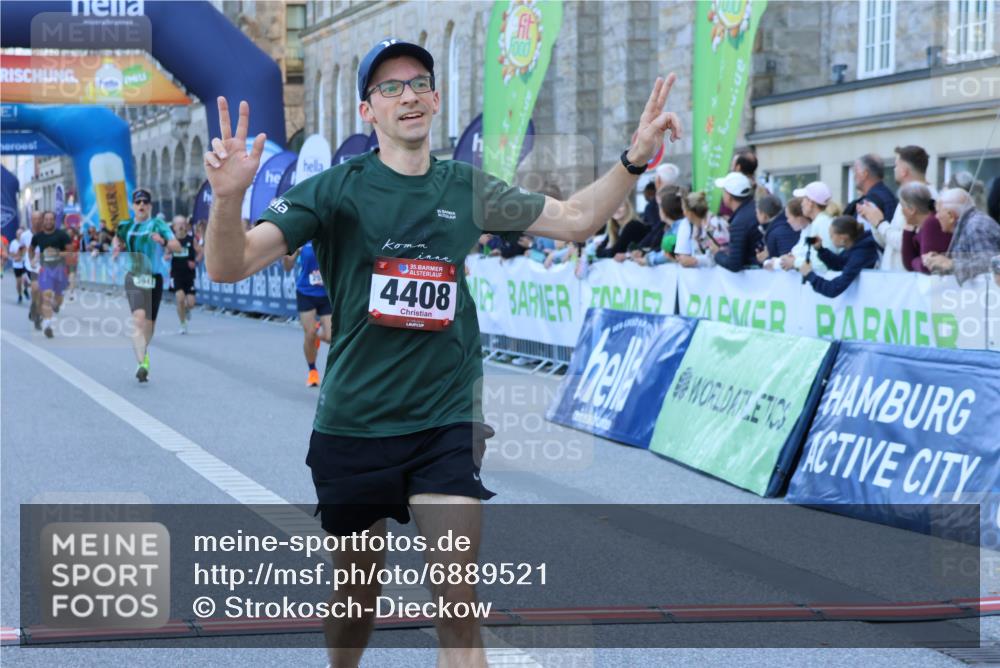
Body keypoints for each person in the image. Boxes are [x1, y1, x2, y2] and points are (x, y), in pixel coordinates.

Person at [203, 37, 680, 668]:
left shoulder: (468, 187)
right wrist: (230, 198)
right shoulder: (333, 190)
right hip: (356, 422)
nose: (408, 96)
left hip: (444, 422)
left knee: (458, 610)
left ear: (436, 98)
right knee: (355, 600)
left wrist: (633, 160)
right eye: (389, 88)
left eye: (418, 83)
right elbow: (229, 264)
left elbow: (573, 220)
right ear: (367, 111)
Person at [114, 188, 182, 382]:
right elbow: (116, 238)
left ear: (150, 206)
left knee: (150, 324)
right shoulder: (125, 225)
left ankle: (143, 355)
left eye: (145, 202)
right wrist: (116, 247)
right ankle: (142, 362)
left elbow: (176, 246)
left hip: (154, 278)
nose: (142, 205)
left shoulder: (158, 224)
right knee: (139, 318)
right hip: (134, 276)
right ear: (133, 206)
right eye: (138, 202)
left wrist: (163, 242)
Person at [858, 145, 933, 271]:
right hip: (895, 278)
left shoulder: (927, 197)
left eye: (896, 165)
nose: (894, 169)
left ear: (904, 171)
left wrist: (880, 223)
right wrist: (874, 221)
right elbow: (888, 243)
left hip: (907, 281)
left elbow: (907, 242)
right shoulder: (907, 196)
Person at [924, 188, 1000, 284]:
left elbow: (991, 263)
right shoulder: (968, 224)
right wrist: (940, 260)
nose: (936, 216)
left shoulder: (975, 226)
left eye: (938, 211)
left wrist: (951, 264)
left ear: (951, 216)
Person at [282, 240, 332, 386]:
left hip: (326, 294)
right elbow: (287, 267)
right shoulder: (303, 239)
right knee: (309, 334)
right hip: (306, 292)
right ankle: (313, 372)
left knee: (330, 336)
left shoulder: (331, 236)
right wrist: (288, 254)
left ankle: (316, 333)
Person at [799, 216, 880, 297]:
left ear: (842, 238)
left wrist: (810, 275)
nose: (830, 239)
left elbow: (833, 289)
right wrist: (821, 250)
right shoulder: (855, 247)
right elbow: (840, 264)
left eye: (831, 236)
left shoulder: (861, 253)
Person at [643, 190, 714, 267]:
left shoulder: (712, 224)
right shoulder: (688, 227)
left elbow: (716, 255)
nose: (683, 213)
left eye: (684, 209)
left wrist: (695, 260)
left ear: (689, 212)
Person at [30, 211, 72, 338]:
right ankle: (48, 325)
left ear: (54, 221)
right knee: (46, 297)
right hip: (46, 270)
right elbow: (31, 249)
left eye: (51, 219)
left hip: (60, 270)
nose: (48, 221)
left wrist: (57, 253)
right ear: (43, 221)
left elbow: (70, 253)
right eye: (46, 219)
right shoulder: (38, 236)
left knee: (58, 300)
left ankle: (56, 305)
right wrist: (32, 260)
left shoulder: (62, 235)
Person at [781, 181, 836, 274]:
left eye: (804, 199)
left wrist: (794, 262)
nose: (801, 204)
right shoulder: (819, 222)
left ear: (811, 203)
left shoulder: (822, 223)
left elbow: (822, 265)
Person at [710, 172, 759, 271]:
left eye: (724, 191)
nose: (722, 195)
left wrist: (717, 253)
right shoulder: (754, 208)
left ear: (729, 196)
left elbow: (734, 264)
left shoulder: (739, 222)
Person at [898, 183, 951, 274]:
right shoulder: (921, 225)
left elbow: (928, 265)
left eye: (902, 206)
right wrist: (908, 231)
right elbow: (908, 264)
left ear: (912, 210)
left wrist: (914, 261)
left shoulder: (932, 223)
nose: (901, 211)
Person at [168, 215, 200, 334]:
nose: (181, 226)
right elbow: (166, 254)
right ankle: (182, 324)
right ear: (174, 227)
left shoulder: (191, 240)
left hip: (189, 275)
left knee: (191, 303)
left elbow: (201, 252)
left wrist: (196, 261)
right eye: (178, 224)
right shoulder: (172, 240)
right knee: (180, 298)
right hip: (176, 274)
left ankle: (186, 309)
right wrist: (166, 256)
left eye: (183, 223)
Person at [846, 154, 897, 223]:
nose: (854, 176)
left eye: (855, 171)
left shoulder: (869, 203)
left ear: (865, 174)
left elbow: (863, 232)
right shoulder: (888, 195)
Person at [755, 193, 798, 264]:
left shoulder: (778, 231)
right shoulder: (780, 226)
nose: (756, 215)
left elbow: (786, 258)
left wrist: (766, 259)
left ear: (763, 215)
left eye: (757, 212)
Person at [23, 212, 42, 328]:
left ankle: (35, 310)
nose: (37, 221)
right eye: (34, 218)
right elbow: (21, 250)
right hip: (31, 268)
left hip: (45, 267)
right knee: (36, 290)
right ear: (31, 220)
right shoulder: (25, 235)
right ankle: (37, 316)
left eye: (39, 218)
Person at [9, 226, 29, 304]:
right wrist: (16, 257)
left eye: (21, 233)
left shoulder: (26, 242)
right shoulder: (13, 243)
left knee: (25, 279)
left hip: (25, 264)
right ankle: (20, 295)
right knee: (19, 282)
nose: (19, 235)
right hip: (17, 265)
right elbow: (11, 253)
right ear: (16, 234)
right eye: (18, 234)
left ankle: (25, 290)